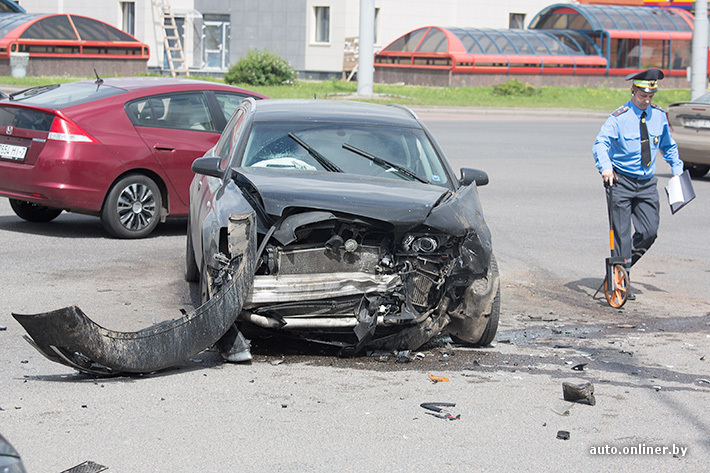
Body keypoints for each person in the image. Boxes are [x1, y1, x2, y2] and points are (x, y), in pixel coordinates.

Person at [592, 68, 684, 299]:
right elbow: (601, 143)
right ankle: (622, 279)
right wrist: (605, 167)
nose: (647, 100)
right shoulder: (619, 117)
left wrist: (677, 170)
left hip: (646, 183)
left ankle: (620, 268)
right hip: (620, 181)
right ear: (633, 91)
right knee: (621, 235)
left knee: (649, 232)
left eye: (651, 96)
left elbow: (668, 145)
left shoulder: (659, 116)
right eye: (643, 95)